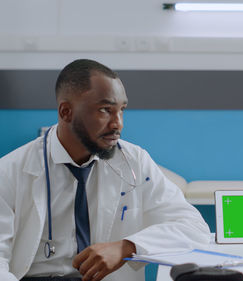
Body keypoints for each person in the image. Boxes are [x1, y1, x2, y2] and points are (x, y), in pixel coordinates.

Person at [0, 59, 211, 281]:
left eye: (121, 110)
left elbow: (194, 228)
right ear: (66, 112)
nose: (117, 123)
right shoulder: (9, 173)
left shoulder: (134, 161)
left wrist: (127, 247)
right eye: (105, 110)